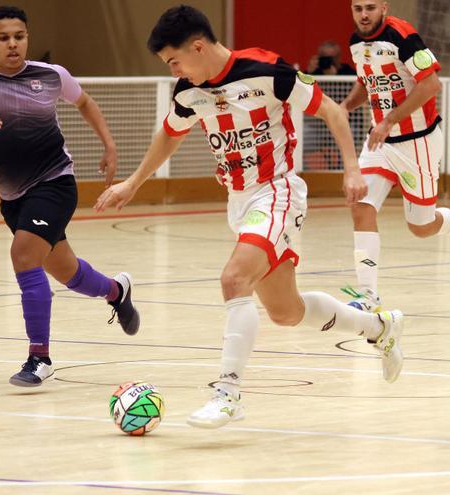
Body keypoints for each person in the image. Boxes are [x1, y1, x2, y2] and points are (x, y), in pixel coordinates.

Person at [95, 5, 405, 429]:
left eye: (174, 61)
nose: (173, 71)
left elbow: (332, 111)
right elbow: (170, 133)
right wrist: (133, 183)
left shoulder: (268, 70)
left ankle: (228, 393)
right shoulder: (188, 91)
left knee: (233, 279)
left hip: (277, 191)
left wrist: (353, 169)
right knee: (286, 312)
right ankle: (378, 328)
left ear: (198, 46)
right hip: (239, 203)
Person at [0, 6, 140, 387]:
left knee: (22, 254)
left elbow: (84, 102)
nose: (12, 44)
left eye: (19, 36)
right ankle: (117, 291)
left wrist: (110, 146)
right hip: (12, 197)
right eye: (4, 38)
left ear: (27, 39)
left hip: (55, 183)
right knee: (66, 271)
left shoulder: (52, 76)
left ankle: (39, 357)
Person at [338, 0, 450, 313]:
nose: (363, 15)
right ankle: (367, 296)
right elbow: (366, 83)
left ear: (384, 6)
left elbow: (431, 83)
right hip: (380, 143)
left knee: (420, 226)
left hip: (417, 142)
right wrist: (342, 108)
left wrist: (390, 120)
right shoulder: (356, 42)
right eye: (357, 9)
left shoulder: (403, 37)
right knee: (361, 205)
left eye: (369, 7)